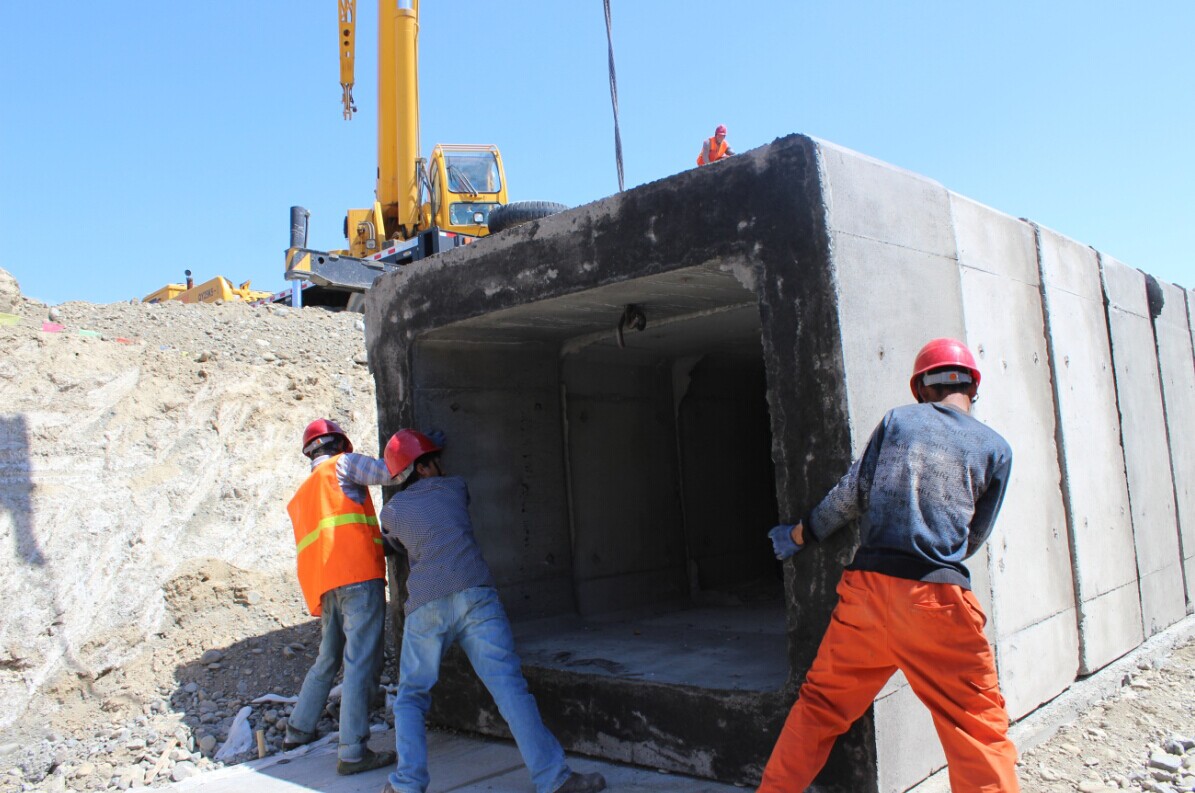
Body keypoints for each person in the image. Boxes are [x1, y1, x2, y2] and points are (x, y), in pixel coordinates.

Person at [758, 338, 1020, 793]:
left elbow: (850, 496)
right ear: (972, 388)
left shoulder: (898, 421)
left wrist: (799, 535)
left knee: (820, 706)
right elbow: (972, 538)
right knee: (976, 728)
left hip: (867, 596)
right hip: (937, 602)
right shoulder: (996, 449)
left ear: (921, 388)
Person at [376, 429, 606, 793]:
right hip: (476, 596)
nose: (442, 464)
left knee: (411, 698)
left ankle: (406, 785)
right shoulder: (455, 487)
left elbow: (392, 543)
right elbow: (446, 512)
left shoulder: (391, 512)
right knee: (510, 689)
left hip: (427, 606)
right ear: (422, 468)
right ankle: (554, 779)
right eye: (435, 459)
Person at [283, 418, 398, 775]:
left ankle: (297, 730)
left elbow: (336, 533)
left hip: (327, 584)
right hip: (358, 579)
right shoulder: (343, 465)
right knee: (360, 662)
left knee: (328, 657)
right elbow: (390, 472)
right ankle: (352, 752)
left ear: (309, 452)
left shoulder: (304, 493)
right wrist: (419, 450)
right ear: (339, 444)